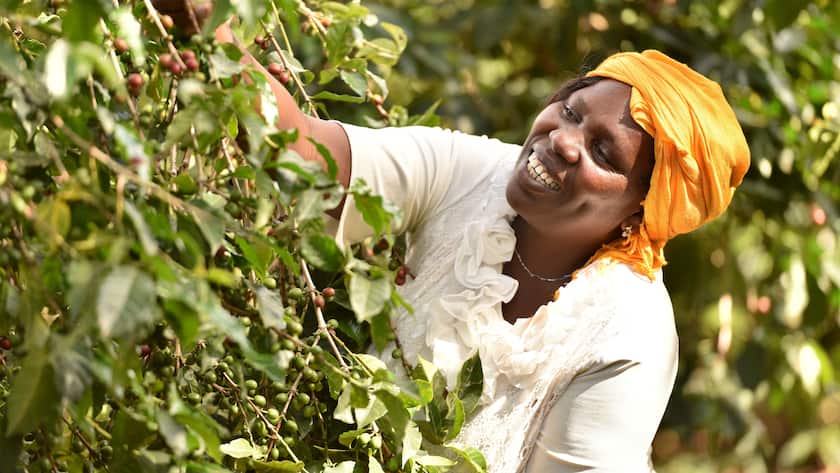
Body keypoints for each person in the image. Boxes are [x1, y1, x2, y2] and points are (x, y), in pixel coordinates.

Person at [163, 6, 750, 470]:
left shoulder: (629, 333)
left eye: (603, 151)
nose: (563, 141)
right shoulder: (468, 172)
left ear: (641, 211)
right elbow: (310, 159)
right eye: (570, 112)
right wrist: (211, 29)